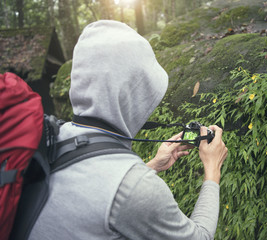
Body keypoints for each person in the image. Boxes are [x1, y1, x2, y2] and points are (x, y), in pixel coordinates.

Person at [29, 20, 228, 240]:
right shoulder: (137, 188)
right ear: (134, 94)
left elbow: (96, 189)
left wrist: (151, 165)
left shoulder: (52, 137)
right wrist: (212, 168)